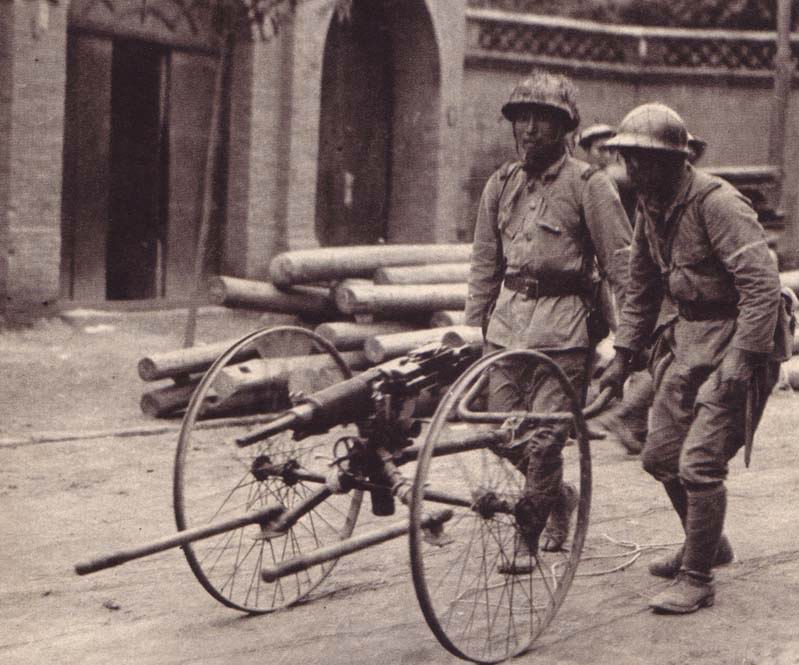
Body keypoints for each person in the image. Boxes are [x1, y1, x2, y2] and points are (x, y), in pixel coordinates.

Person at [600, 102, 793, 613]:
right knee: (660, 456)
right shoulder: (650, 205)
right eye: (627, 159)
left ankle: (698, 577)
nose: (632, 169)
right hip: (688, 338)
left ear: (676, 161)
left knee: (701, 463)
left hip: (740, 337)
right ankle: (708, 541)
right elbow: (641, 286)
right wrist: (623, 356)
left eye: (643, 159)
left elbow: (761, 286)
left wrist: (741, 362)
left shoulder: (718, 204)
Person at [465, 70, 632, 572]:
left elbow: (622, 261)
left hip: (565, 331)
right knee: (500, 431)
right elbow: (484, 261)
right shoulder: (501, 183)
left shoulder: (589, 184)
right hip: (507, 329)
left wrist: (633, 338)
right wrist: (476, 328)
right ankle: (559, 497)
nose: (529, 129)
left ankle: (527, 537)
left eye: (542, 119)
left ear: (565, 128)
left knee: (544, 440)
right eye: (522, 118)